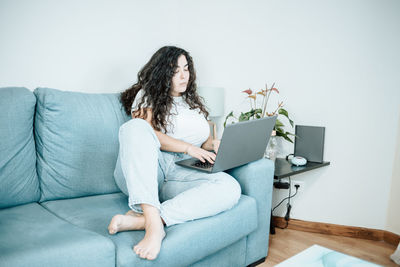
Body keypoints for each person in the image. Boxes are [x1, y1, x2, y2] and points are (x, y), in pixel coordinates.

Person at [107, 46, 241, 261]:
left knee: (230, 187)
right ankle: (153, 226)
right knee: (135, 127)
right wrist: (187, 147)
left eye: (186, 69)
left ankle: (144, 221)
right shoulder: (146, 95)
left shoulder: (192, 101)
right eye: (175, 70)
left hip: (181, 171)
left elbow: (202, 141)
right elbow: (147, 135)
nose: (183, 75)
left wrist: (214, 144)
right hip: (149, 169)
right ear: (161, 72)